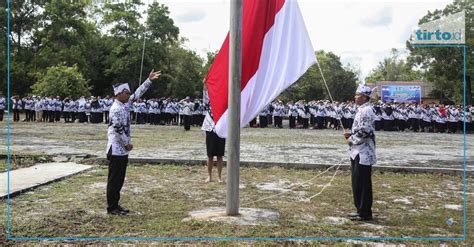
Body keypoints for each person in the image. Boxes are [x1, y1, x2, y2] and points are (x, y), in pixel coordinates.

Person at [105, 69, 161, 215]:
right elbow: (117, 129)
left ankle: (116, 205)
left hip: (122, 149)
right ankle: (112, 207)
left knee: (119, 179)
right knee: (114, 179)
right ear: (119, 93)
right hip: (117, 148)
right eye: (127, 93)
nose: (129, 95)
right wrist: (126, 143)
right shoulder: (116, 109)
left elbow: (137, 94)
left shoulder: (124, 105)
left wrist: (148, 80)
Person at [344, 84, 376, 221]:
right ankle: (359, 209)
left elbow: (365, 131)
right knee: (357, 181)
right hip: (357, 151)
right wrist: (350, 134)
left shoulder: (366, 110)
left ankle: (364, 212)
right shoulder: (361, 109)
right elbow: (360, 129)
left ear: (363, 97)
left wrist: (351, 139)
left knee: (363, 183)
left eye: (357, 95)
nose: (355, 97)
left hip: (363, 152)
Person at [201, 82, 225, 183]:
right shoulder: (209, 99)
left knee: (220, 155)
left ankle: (219, 177)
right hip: (210, 127)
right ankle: (209, 176)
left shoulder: (224, 100)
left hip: (221, 127)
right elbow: (205, 95)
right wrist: (205, 85)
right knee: (210, 155)